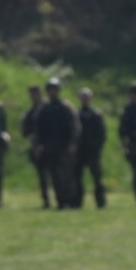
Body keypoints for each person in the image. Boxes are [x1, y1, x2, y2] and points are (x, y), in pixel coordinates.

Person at [35, 76, 80, 208]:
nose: (52, 92)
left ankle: (71, 200)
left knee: (67, 175)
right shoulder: (44, 109)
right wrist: (40, 145)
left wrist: (73, 143)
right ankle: (60, 200)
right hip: (50, 147)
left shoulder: (66, 107)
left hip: (64, 146)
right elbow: (39, 129)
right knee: (55, 175)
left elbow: (74, 127)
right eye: (50, 90)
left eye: (54, 90)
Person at [74, 87, 107, 208]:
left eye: (86, 97)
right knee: (78, 177)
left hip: (93, 151)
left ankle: (100, 201)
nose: (84, 99)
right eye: (82, 97)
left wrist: (97, 148)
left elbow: (102, 133)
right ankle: (78, 201)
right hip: (80, 151)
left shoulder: (95, 114)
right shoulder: (76, 114)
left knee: (97, 177)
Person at [21, 84, 51, 208]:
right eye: (32, 95)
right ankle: (46, 199)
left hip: (51, 145)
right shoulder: (30, 112)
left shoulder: (48, 109)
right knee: (42, 175)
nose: (34, 97)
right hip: (37, 146)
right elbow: (25, 130)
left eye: (36, 94)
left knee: (57, 173)